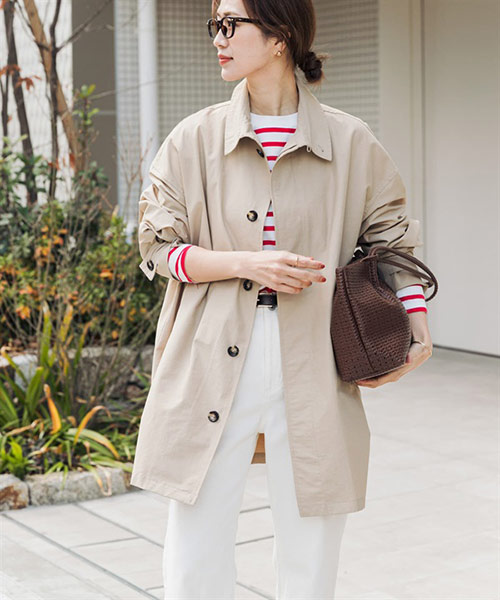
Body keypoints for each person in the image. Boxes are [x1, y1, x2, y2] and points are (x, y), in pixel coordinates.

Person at [130, 0, 434, 598]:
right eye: (214, 24)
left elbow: (393, 238)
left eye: (230, 24)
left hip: (316, 352)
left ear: (279, 35)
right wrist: (245, 263)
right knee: (195, 542)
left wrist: (417, 327)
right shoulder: (193, 138)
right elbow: (157, 248)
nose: (217, 38)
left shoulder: (350, 140)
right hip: (213, 349)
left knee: (312, 539)